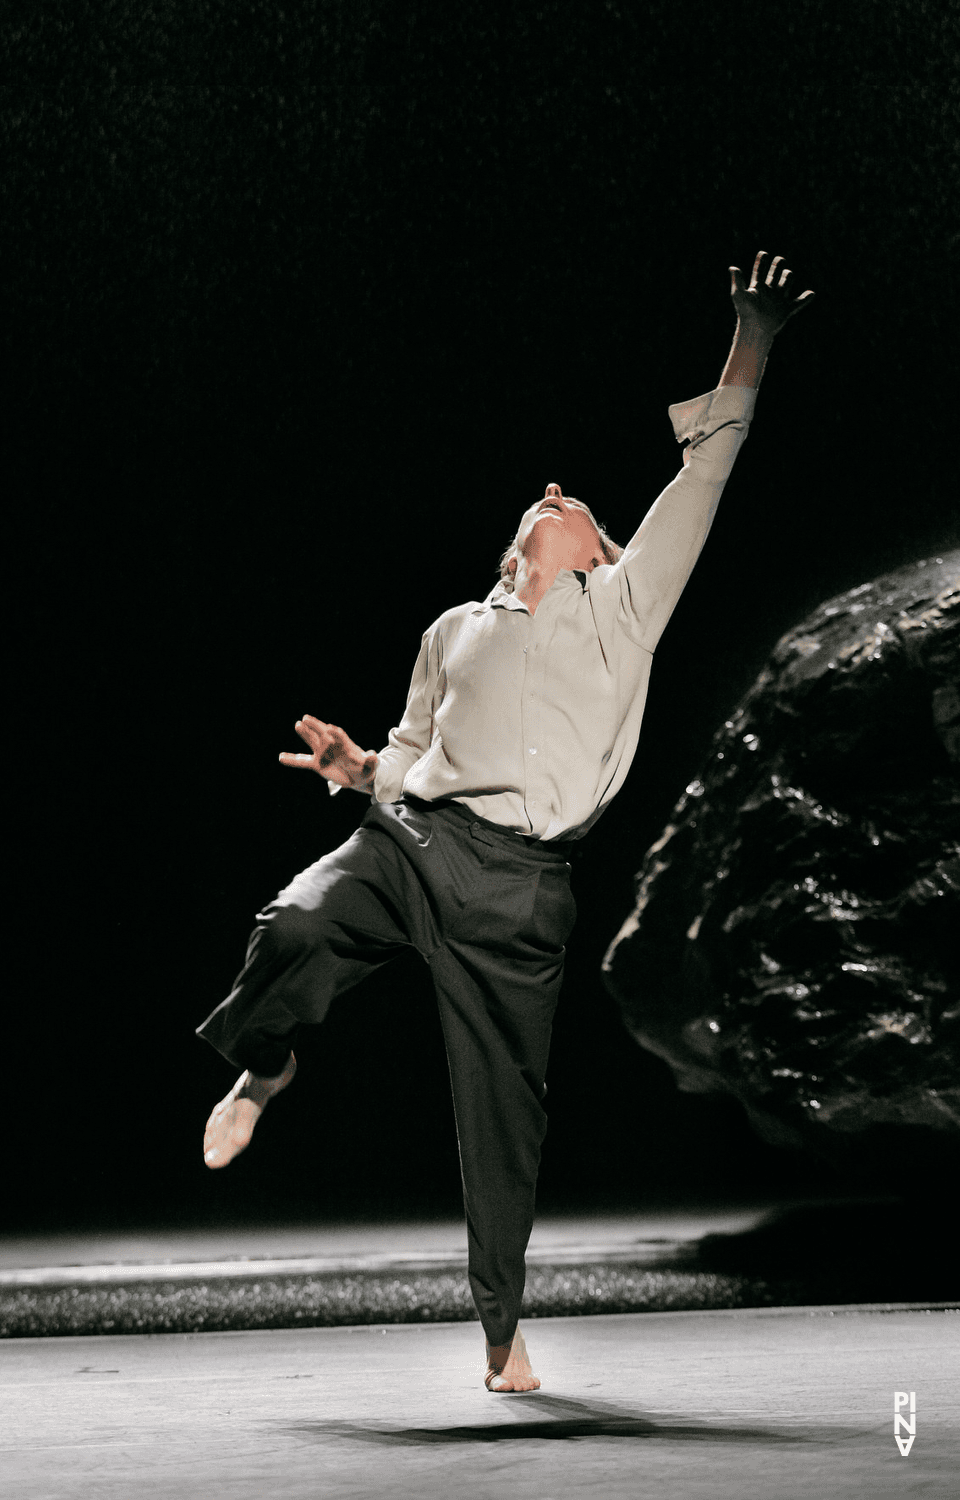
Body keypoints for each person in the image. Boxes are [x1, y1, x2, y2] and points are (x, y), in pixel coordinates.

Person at [197, 251, 814, 1393]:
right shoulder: (452, 629)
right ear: (515, 550)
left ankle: (499, 1337)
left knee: (503, 1122)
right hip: (415, 846)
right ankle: (265, 1065)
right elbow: (415, 758)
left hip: (523, 892)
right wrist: (356, 767)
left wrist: (752, 338)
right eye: (546, 502)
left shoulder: (625, 611)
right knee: (289, 929)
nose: (556, 491)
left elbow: (706, 472)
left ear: (603, 550)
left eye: (576, 504)